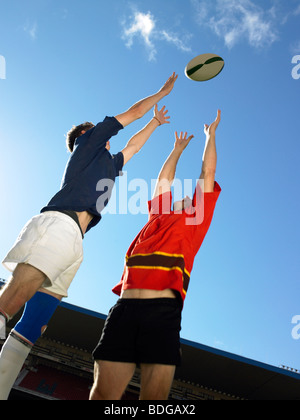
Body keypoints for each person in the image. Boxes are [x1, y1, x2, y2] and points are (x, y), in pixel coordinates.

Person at [0, 73, 178, 400]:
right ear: (87, 134)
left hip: (76, 241)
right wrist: (161, 92)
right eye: (93, 128)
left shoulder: (108, 163)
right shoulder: (89, 141)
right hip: (59, 223)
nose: (102, 132)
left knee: (35, 324)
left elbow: (134, 145)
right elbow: (132, 112)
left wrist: (154, 123)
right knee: (16, 296)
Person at [90, 110, 222, 401]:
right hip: (123, 310)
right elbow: (164, 179)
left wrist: (210, 136)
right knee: (101, 395)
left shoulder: (194, 221)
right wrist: (176, 150)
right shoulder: (158, 215)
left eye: (191, 196)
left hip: (162, 312)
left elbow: (207, 174)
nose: (185, 195)